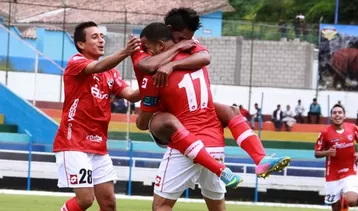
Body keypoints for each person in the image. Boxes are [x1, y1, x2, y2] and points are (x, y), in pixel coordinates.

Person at [134, 7, 290, 179]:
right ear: (170, 30)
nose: (186, 41)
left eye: (189, 38)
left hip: (191, 110)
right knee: (170, 121)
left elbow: (205, 58)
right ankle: (218, 167)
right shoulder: (147, 43)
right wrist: (175, 52)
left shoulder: (188, 43)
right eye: (181, 38)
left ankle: (261, 160)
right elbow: (146, 66)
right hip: (162, 115)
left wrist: (173, 64)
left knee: (231, 111)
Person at [135, 22, 240, 211]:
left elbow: (143, 121)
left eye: (146, 47)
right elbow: (206, 56)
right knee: (217, 207)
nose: (144, 51)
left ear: (160, 45)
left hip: (185, 143)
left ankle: (223, 169)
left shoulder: (157, 71)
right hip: (214, 143)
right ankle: (260, 158)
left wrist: (142, 114)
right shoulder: (195, 55)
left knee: (161, 205)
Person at [53, 21, 141, 211]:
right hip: (74, 142)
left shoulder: (111, 72)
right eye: (95, 37)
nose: (101, 40)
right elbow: (97, 67)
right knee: (85, 200)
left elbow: (132, 96)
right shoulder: (75, 62)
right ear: (81, 44)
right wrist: (125, 52)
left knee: (109, 203)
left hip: (98, 146)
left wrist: (153, 80)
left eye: (102, 36)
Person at [314, 104, 358, 211]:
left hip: (349, 171)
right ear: (331, 117)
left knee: (352, 201)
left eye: (340, 112)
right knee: (335, 207)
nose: (337, 115)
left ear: (344, 116)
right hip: (332, 174)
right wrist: (327, 152)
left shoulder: (352, 128)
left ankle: (344, 197)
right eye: (334, 113)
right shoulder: (324, 133)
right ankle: (341, 197)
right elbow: (317, 153)